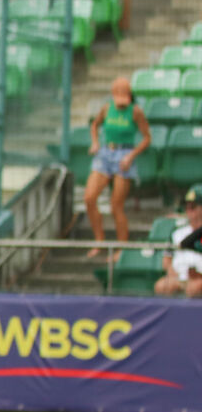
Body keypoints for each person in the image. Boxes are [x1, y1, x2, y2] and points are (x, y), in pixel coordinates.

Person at [84, 77, 151, 258]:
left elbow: (147, 138)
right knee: (89, 198)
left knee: (116, 205)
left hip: (124, 155)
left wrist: (131, 156)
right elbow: (94, 125)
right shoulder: (107, 108)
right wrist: (95, 143)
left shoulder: (135, 112)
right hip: (106, 152)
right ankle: (99, 240)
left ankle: (121, 248)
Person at [155, 184, 202, 298]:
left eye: (193, 206)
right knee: (161, 286)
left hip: (199, 278)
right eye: (187, 206)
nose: (189, 210)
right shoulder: (177, 232)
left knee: (194, 288)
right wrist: (174, 275)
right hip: (179, 277)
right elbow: (166, 261)